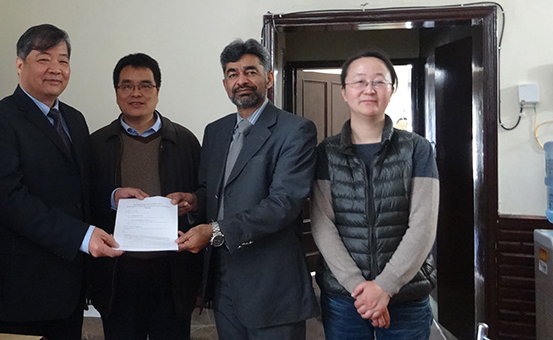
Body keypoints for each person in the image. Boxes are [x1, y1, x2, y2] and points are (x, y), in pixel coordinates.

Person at [0, 24, 122, 340]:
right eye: (43, 59)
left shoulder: (74, 119)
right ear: (19, 64)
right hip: (19, 291)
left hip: (68, 287)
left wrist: (113, 196)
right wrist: (81, 235)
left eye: (63, 60)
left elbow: (78, 185)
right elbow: (8, 200)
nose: (56, 69)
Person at [173, 39, 318, 340]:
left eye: (250, 71)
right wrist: (194, 202)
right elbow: (210, 190)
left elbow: (282, 204)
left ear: (268, 77)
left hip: (272, 284)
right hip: (224, 278)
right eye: (232, 73)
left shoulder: (295, 131)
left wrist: (213, 231)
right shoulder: (216, 131)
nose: (241, 81)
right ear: (225, 83)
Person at [310, 51, 439, 339]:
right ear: (344, 92)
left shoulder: (416, 149)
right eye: (359, 82)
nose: (369, 89)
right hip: (345, 299)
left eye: (379, 82)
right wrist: (362, 290)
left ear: (392, 90)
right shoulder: (325, 153)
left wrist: (385, 287)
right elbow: (322, 225)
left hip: (406, 297)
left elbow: (423, 225)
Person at [89, 53, 202, 340]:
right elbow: (83, 198)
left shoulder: (185, 141)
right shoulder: (96, 144)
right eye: (126, 86)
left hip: (172, 274)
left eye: (145, 85)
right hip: (117, 275)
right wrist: (112, 197)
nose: (136, 93)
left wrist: (192, 201)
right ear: (116, 93)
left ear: (158, 92)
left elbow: (205, 192)